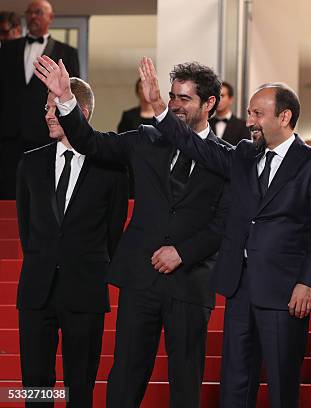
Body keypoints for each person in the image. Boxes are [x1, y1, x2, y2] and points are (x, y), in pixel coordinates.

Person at [137, 57, 311, 408]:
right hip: (239, 286)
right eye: (249, 112)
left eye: (258, 114)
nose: (249, 121)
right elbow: (195, 146)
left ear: (285, 116)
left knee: (281, 382)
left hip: (285, 291)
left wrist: (308, 283)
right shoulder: (244, 153)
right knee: (235, 382)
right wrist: (159, 107)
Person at [34, 55, 230, 408]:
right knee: (125, 375)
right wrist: (65, 99)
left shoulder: (227, 158)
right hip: (140, 280)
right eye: (171, 97)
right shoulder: (145, 139)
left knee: (186, 381)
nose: (174, 105)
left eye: (184, 99)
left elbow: (224, 223)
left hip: (189, 282)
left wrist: (183, 253)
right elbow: (91, 143)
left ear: (210, 103)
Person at [16, 78, 128, 407]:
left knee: (80, 388)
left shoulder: (111, 169)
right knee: (35, 388)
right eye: (47, 108)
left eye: (55, 108)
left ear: (81, 112)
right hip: (37, 291)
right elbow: (27, 229)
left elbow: (113, 231)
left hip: (85, 290)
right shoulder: (30, 163)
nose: (48, 114)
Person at [0, 0, 80, 199]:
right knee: (7, 191)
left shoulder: (67, 53)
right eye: (29, 12)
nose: (33, 16)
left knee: (40, 191)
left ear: (50, 18)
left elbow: (72, 93)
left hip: (44, 133)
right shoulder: (7, 49)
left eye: (38, 12)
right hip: (9, 134)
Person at [116, 78, 156, 197]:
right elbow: (122, 141)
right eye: (141, 87)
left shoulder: (162, 118)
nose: (144, 91)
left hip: (157, 165)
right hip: (134, 166)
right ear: (137, 91)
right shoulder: (129, 116)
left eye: (147, 87)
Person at [209, 81, 250, 145]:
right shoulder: (206, 124)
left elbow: (245, 152)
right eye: (216, 96)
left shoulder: (243, 126)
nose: (218, 99)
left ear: (231, 99)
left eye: (222, 96)